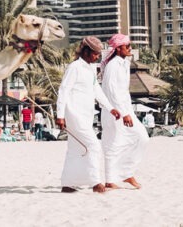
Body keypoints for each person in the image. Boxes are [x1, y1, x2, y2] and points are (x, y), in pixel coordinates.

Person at [56, 36, 121, 194]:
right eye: (95, 53)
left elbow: (96, 90)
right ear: (85, 51)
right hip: (74, 114)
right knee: (93, 145)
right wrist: (60, 115)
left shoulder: (90, 69)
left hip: (86, 115)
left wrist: (110, 107)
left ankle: (68, 184)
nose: (97, 56)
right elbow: (63, 90)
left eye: (98, 54)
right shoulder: (74, 67)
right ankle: (96, 183)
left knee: (75, 148)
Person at [100, 34, 149, 190]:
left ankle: (127, 173)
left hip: (126, 109)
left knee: (142, 138)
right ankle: (110, 180)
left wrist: (128, 111)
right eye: (127, 46)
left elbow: (123, 91)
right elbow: (111, 91)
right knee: (112, 144)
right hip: (114, 111)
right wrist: (123, 112)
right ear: (118, 48)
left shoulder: (124, 63)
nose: (130, 48)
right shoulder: (113, 65)